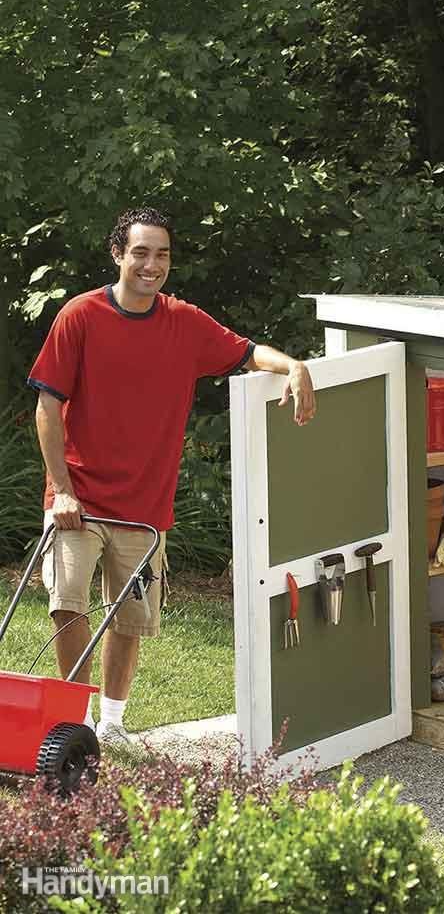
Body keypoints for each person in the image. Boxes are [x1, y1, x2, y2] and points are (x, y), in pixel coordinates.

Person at [27, 206, 316, 744]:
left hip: (143, 506)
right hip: (79, 499)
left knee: (129, 619)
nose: (151, 264)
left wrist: (295, 366)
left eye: (161, 254)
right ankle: (74, 724)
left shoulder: (184, 323)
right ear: (118, 254)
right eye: (140, 252)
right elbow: (47, 406)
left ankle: (111, 723)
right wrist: (61, 490)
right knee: (67, 605)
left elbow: (250, 354)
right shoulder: (81, 316)